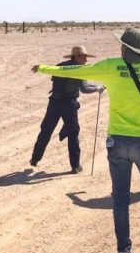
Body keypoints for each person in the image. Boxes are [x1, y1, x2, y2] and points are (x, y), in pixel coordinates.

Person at [32, 28, 140, 253]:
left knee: (120, 197)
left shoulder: (111, 67)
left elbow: (76, 70)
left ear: (124, 48)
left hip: (117, 141)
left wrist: (44, 68)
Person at [30, 45, 104, 173]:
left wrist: (40, 68)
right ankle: (75, 166)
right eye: (85, 57)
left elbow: (50, 72)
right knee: (73, 133)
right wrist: (98, 88)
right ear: (77, 57)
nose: (86, 60)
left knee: (46, 131)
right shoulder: (78, 69)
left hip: (54, 103)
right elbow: (84, 88)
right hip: (69, 104)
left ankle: (35, 158)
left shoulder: (60, 65)